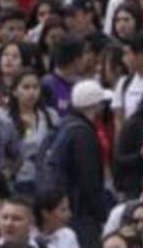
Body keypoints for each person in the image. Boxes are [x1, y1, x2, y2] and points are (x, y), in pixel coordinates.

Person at [41, 80, 112, 247]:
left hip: (62, 208)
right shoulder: (83, 134)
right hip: (80, 212)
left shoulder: (63, 125)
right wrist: (101, 214)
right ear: (96, 106)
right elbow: (89, 180)